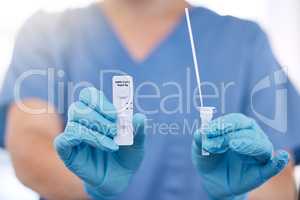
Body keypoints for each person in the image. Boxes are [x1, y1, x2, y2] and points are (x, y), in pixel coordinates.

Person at [1, 0, 299, 199]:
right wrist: (96, 190)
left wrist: (240, 194)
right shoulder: (47, 33)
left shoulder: (244, 41)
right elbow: (30, 146)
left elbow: (277, 178)